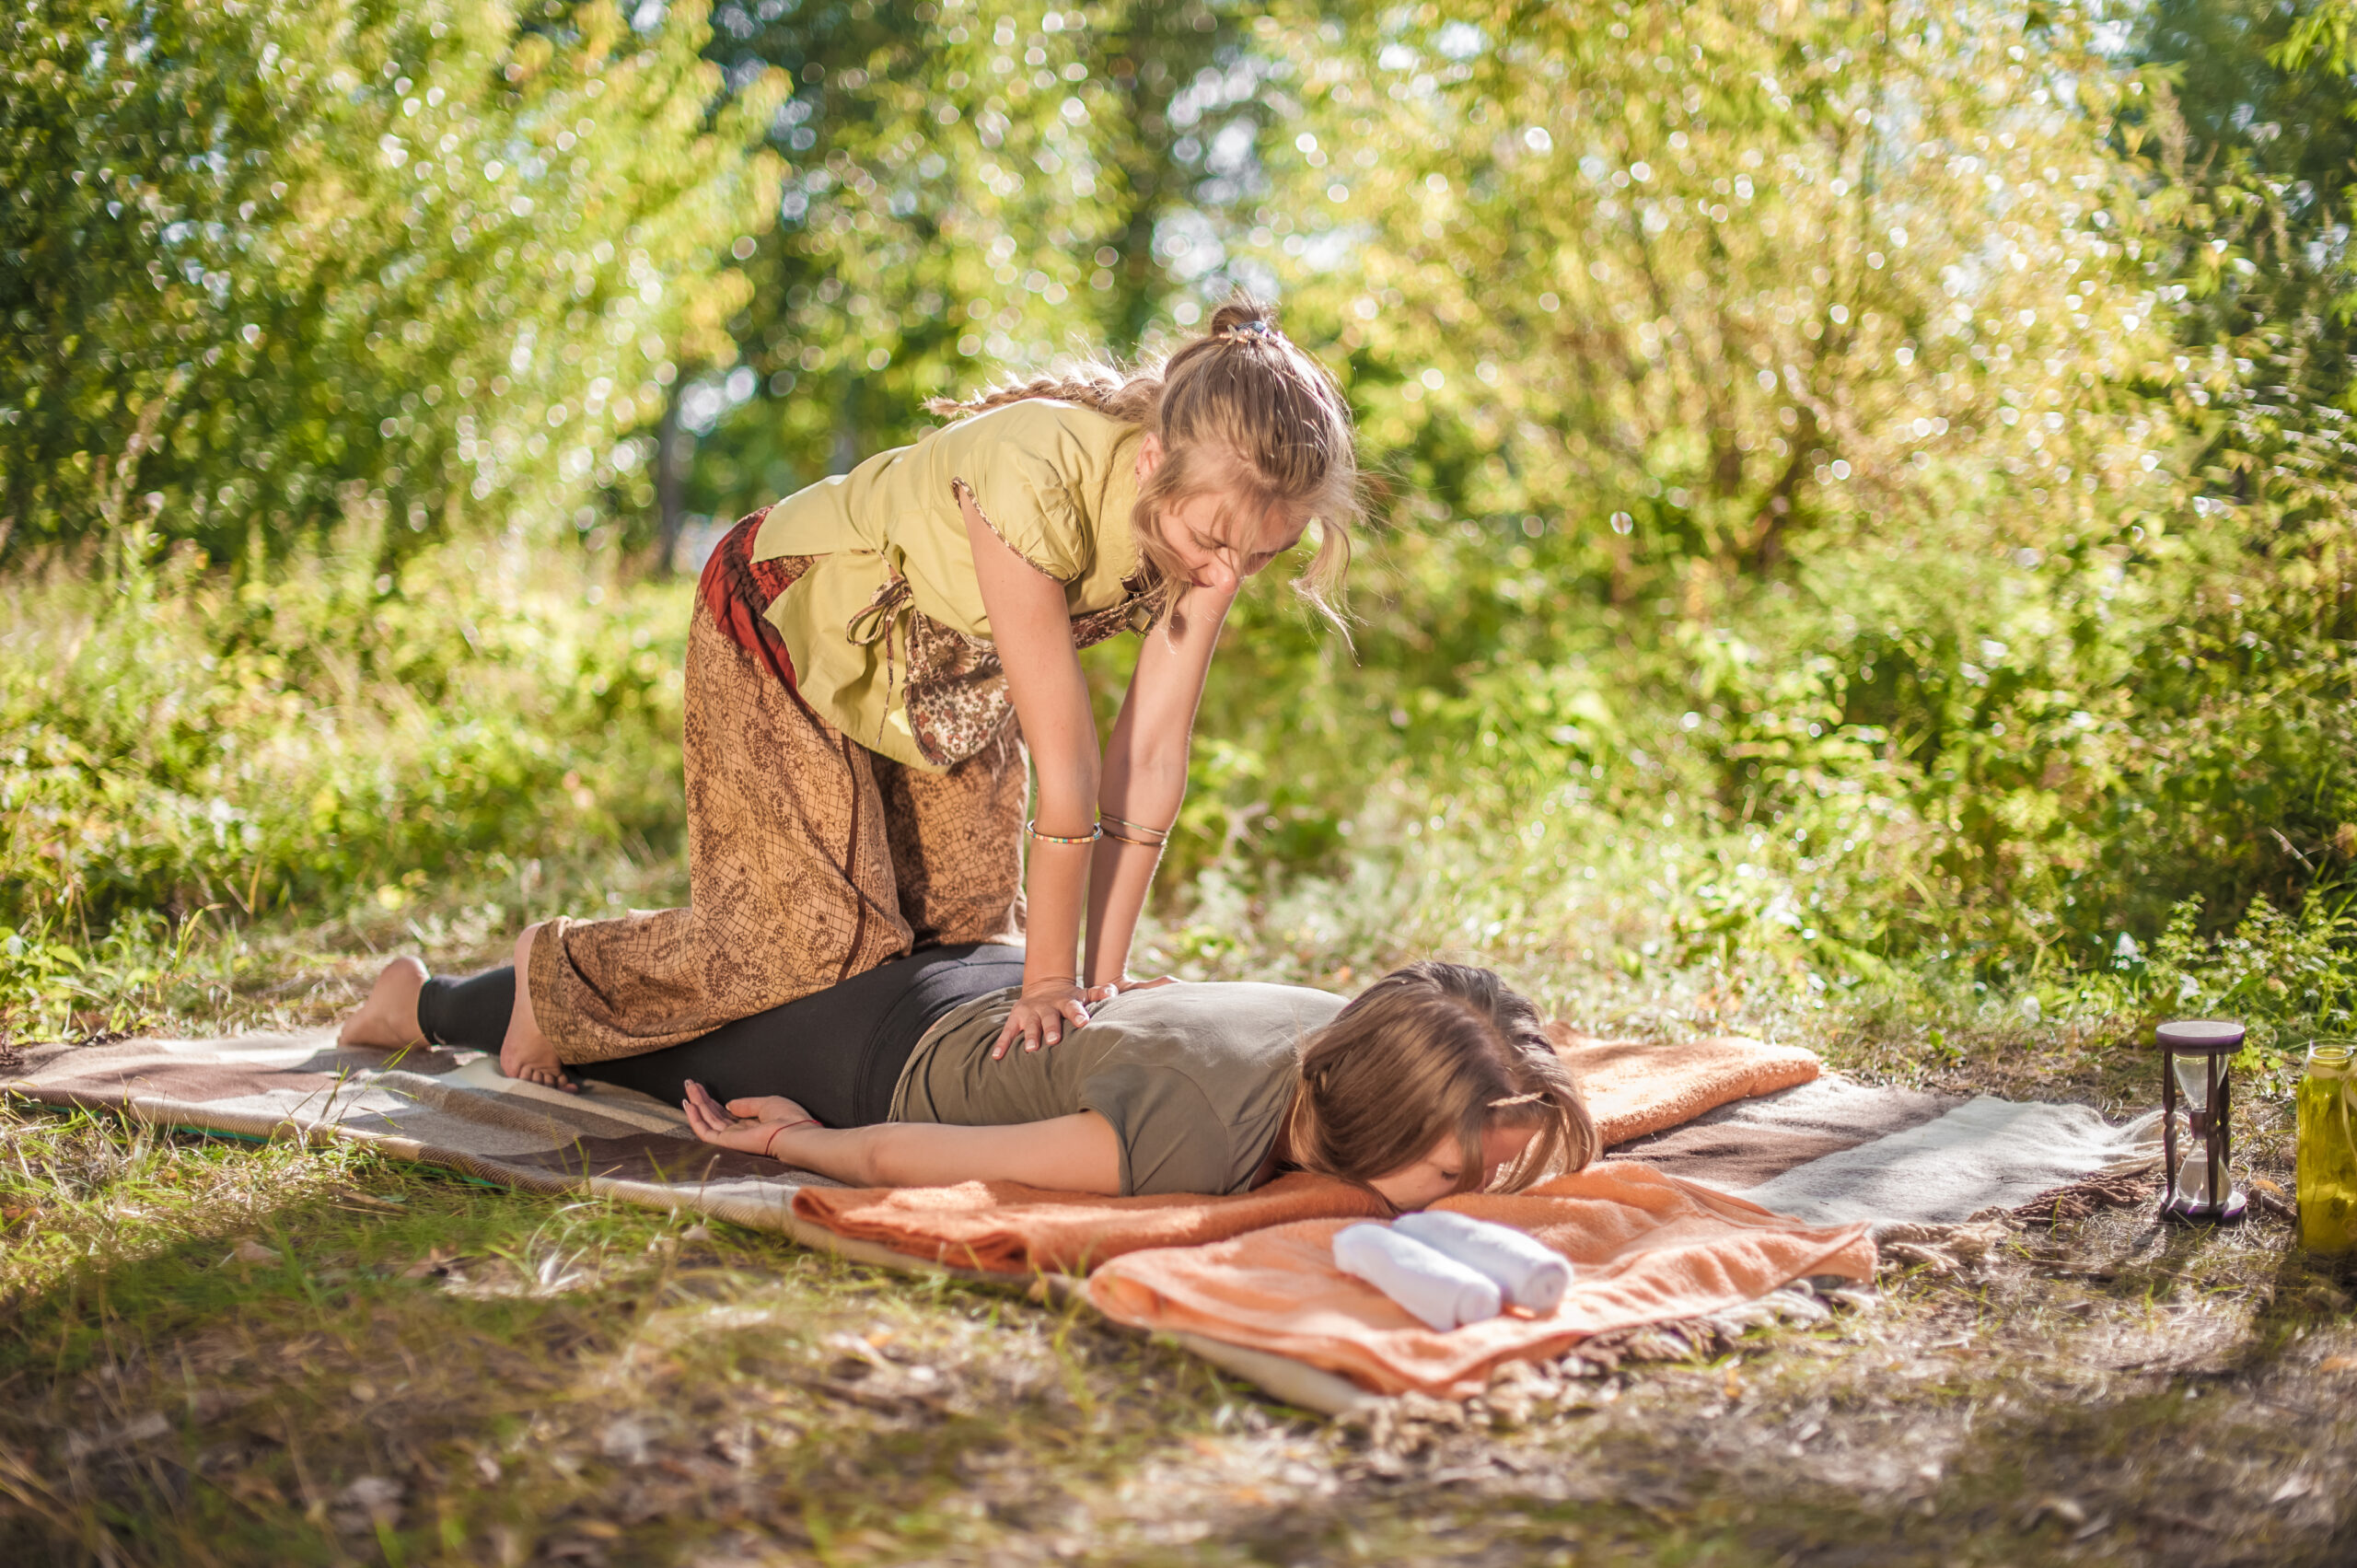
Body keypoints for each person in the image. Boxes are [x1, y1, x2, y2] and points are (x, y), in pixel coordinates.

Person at [368, 296, 1359, 1089]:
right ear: (1151, 464)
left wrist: (1098, 979)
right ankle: (554, 971)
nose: (1225, 574)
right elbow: (1067, 770)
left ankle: (443, 997)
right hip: (793, 632)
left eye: (1259, 557)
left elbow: (1144, 762)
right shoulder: (1038, 471)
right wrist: (1056, 981)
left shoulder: (1212, 527)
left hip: (945, 687)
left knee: (966, 946)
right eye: (1212, 546)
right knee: (814, 942)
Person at [341, 953, 1593, 1205]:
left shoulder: (1354, 1022)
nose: (1466, 1190)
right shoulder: (1196, 1140)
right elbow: (920, 1159)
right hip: (869, 1054)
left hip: (977, 973)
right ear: (1365, 1114)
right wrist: (790, 1146)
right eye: (1449, 1170)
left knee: (699, 973)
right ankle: (422, 997)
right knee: (629, 1031)